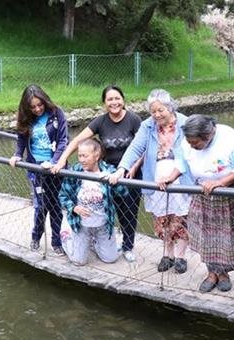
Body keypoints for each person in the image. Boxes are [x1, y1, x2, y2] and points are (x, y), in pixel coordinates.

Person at [52, 85, 143, 263]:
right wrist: (62, 159)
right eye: (110, 99)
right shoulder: (100, 121)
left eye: (117, 98)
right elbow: (78, 140)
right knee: (108, 208)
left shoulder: (133, 119)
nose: (114, 102)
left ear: (123, 100)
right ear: (104, 103)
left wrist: (133, 167)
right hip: (107, 174)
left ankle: (128, 246)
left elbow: (142, 146)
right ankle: (97, 240)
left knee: (129, 212)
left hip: (130, 174)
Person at [181, 115, 234, 293]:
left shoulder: (231, 139)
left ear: (208, 135)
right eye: (189, 142)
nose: (192, 146)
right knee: (206, 237)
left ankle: (223, 274)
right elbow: (182, 161)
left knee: (225, 238)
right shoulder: (188, 142)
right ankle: (212, 273)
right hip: (202, 194)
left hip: (228, 195)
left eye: (195, 143)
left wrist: (220, 183)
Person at [117, 89, 191, 274]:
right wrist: (122, 168)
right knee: (162, 218)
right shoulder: (147, 125)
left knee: (181, 218)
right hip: (155, 178)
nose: (157, 115)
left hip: (180, 178)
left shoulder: (185, 123)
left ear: (170, 107)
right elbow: (135, 147)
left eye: (161, 110)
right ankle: (168, 254)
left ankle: (181, 256)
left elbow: (193, 150)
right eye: (153, 111)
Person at [9, 84, 68, 255]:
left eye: (39, 105)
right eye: (32, 107)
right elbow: (21, 138)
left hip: (55, 169)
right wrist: (18, 155)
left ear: (45, 101)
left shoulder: (57, 113)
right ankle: (36, 236)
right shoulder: (25, 118)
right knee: (41, 206)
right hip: (36, 169)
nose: (37, 109)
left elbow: (63, 140)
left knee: (56, 206)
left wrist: (55, 161)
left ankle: (56, 242)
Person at [58, 138, 125, 266]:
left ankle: (94, 242)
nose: (81, 160)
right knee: (79, 261)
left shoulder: (109, 171)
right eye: (79, 156)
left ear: (96, 155)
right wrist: (74, 208)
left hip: (102, 225)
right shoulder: (74, 171)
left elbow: (123, 193)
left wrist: (114, 180)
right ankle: (66, 237)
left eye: (85, 156)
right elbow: (62, 196)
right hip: (81, 224)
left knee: (110, 259)